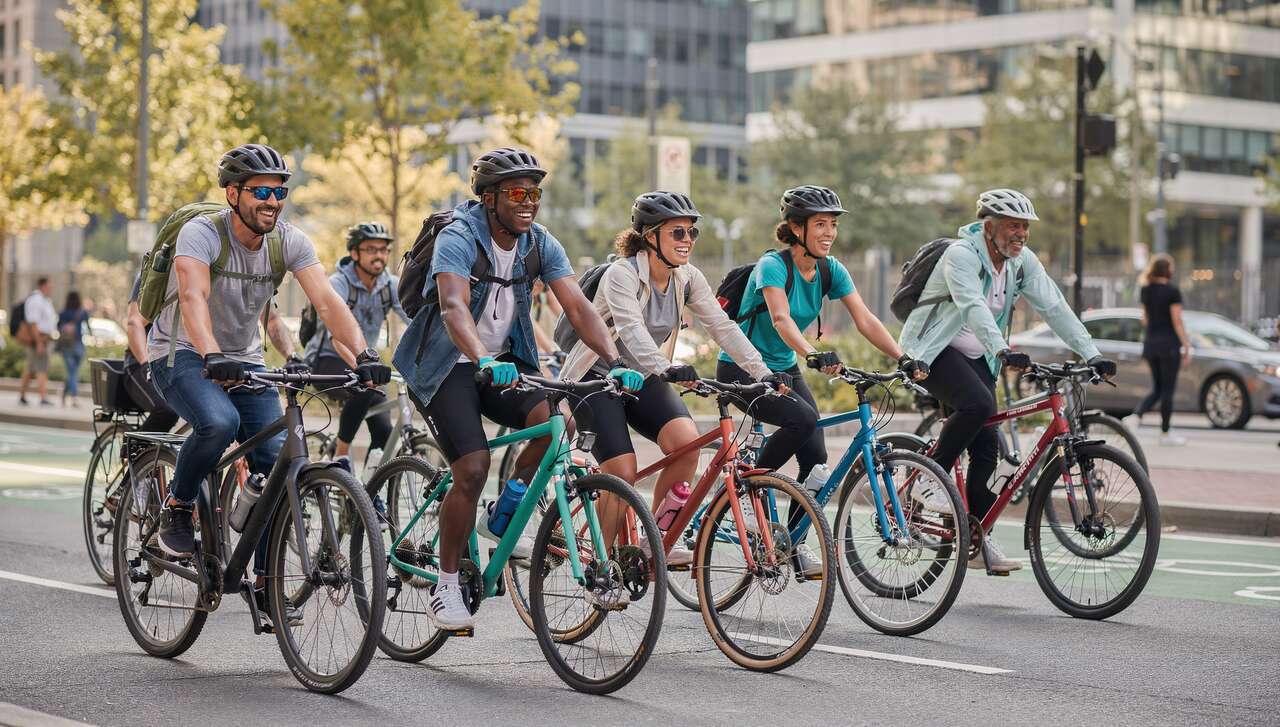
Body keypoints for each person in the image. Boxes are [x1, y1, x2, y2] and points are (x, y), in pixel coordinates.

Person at [392, 147, 642, 632]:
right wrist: (482, 358)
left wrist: (615, 362)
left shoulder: (539, 243)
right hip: (445, 366)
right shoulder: (458, 236)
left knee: (557, 426)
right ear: (489, 198)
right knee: (472, 467)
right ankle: (446, 584)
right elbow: (453, 306)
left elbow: (577, 307)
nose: (529, 203)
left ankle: (505, 508)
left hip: (503, 363)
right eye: (517, 194)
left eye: (535, 194)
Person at [147, 143, 390, 628]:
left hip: (245, 361)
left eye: (279, 192)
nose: (272, 201)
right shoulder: (202, 234)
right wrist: (211, 353)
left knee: (278, 464)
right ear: (232, 193)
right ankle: (178, 504)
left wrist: (364, 354)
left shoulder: (288, 241)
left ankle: (265, 586)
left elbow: (327, 302)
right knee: (219, 422)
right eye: (261, 191)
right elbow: (193, 297)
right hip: (183, 353)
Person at [559, 191, 790, 578]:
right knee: (621, 470)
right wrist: (666, 366)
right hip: (595, 377)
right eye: (677, 232)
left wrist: (762, 372)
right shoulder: (622, 275)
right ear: (650, 236)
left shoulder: (687, 277)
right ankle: (601, 567)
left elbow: (722, 327)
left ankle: (652, 540)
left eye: (691, 232)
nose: (687, 240)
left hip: (645, 377)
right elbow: (631, 330)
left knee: (686, 447)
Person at [897, 188, 1116, 575]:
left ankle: (977, 537)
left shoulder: (1021, 262)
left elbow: (1054, 306)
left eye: (1025, 227)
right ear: (989, 227)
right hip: (931, 349)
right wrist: (1001, 349)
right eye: (1013, 226)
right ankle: (925, 480)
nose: (1021, 234)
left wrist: (1091, 353)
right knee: (978, 405)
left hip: (978, 356)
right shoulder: (961, 255)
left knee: (988, 448)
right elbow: (972, 306)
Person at [717, 185, 928, 573]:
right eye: (820, 224)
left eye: (833, 224)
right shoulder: (773, 266)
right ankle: (746, 487)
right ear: (796, 228)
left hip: (784, 368)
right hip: (742, 368)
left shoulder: (831, 270)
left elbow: (865, 319)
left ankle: (793, 545)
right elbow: (780, 319)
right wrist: (812, 353)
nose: (829, 232)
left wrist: (903, 357)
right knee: (803, 420)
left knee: (816, 460)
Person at [302, 221, 410, 477]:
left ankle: (369, 487)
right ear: (354, 253)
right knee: (361, 387)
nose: (379, 255)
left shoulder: (389, 285)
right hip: (326, 359)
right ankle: (341, 456)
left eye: (383, 250)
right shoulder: (338, 283)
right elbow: (337, 337)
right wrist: (361, 367)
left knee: (384, 431)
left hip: (364, 360)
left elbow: (412, 319)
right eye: (371, 249)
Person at [1130, 254, 1190, 446]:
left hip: (1150, 345)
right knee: (1167, 390)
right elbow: (1177, 321)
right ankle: (1165, 433)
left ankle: (1136, 416)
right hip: (1169, 346)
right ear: (1168, 270)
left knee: (1157, 388)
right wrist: (1186, 345)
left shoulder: (1145, 290)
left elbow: (1145, 319)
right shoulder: (1173, 291)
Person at [123, 272, 182, 433]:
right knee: (167, 411)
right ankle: (133, 447)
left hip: (181, 364)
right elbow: (134, 322)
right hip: (142, 363)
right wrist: (145, 363)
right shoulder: (155, 271)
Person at [18, 277, 58, 406]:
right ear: (43, 286)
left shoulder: (45, 300)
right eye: (49, 286)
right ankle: (43, 397)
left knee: (31, 368)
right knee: (41, 368)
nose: (51, 289)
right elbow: (33, 323)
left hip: (43, 338)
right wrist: (39, 342)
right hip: (39, 338)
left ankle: (22, 395)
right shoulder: (36, 300)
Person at [56, 290, 91, 407]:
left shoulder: (63, 313)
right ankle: (74, 397)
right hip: (79, 345)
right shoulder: (82, 312)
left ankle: (65, 392)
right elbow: (88, 327)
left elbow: (58, 327)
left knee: (72, 372)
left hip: (66, 346)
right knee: (73, 372)